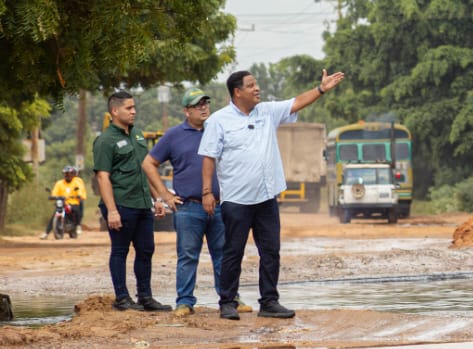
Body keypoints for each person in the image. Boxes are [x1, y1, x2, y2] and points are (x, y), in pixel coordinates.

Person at [199, 68, 345, 321]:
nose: (257, 89)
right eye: (251, 85)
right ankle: (227, 302)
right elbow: (209, 158)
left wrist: (321, 89)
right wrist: (207, 192)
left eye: (257, 85)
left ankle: (269, 302)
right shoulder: (218, 121)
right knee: (233, 251)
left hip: (266, 197)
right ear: (237, 92)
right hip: (236, 199)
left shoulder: (267, 111)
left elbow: (297, 102)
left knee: (271, 251)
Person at [143, 88, 250, 318]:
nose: (203, 107)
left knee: (224, 254)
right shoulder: (173, 135)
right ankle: (184, 301)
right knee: (188, 255)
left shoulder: (218, 130)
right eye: (197, 105)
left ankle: (230, 298)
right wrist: (164, 195)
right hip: (189, 207)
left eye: (205, 103)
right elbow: (148, 163)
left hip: (221, 206)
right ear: (186, 111)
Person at [92, 90, 171, 312]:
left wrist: (156, 199)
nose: (134, 111)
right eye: (129, 108)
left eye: (134, 107)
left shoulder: (137, 135)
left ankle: (145, 297)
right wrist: (112, 210)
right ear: (115, 111)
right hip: (121, 204)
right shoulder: (105, 141)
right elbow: (103, 177)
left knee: (146, 250)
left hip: (142, 204)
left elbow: (145, 169)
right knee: (120, 251)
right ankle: (122, 298)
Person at [42, 165, 87, 239]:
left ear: (73, 175)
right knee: (54, 215)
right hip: (62, 202)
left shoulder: (77, 182)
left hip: (73, 202)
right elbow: (55, 192)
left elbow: (80, 190)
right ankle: (46, 233)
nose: (67, 176)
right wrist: (53, 196)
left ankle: (78, 225)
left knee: (77, 211)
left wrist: (79, 195)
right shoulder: (59, 183)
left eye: (69, 174)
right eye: (66, 174)